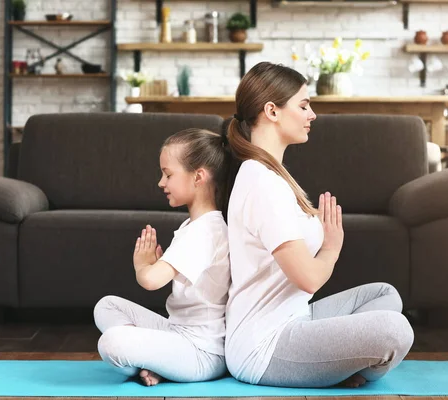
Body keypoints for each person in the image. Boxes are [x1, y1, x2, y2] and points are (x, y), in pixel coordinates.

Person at [224, 61, 415, 388]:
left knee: (385, 295)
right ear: (272, 111)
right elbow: (309, 279)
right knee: (395, 332)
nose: (312, 114)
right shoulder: (262, 183)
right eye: (303, 105)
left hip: (296, 316)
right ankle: (339, 370)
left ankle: (337, 367)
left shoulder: (271, 175)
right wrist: (331, 248)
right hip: (265, 345)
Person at [94, 128, 231, 387]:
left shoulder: (204, 232)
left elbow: (151, 281)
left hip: (201, 351)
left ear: (198, 177)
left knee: (111, 343)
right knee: (107, 306)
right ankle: (154, 362)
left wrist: (143, 265)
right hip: (177, 332)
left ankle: (151, 362)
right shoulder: (197, 225)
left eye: (168, 174)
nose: (161, 182)